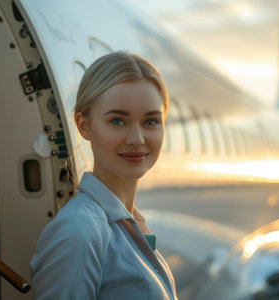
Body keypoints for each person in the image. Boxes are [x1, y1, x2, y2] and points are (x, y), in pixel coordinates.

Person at [30, 52, 177, 299]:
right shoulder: (79, 230)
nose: (137, 139)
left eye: (151, 121)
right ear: (84, 125)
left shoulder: (129, 222)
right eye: (118, 121)